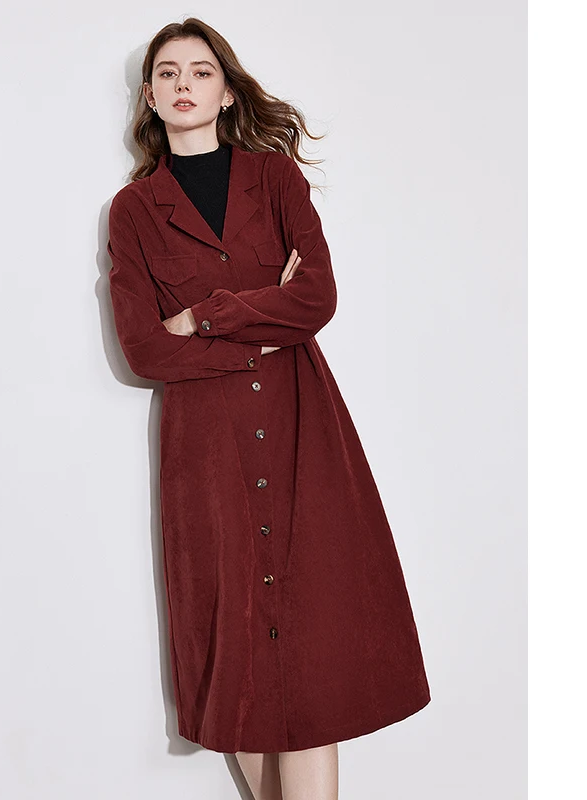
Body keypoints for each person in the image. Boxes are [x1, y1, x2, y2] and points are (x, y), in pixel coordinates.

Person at [107, 18, 431, 800]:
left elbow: (316, 298)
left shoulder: (276, 179)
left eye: (201, 72)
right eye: (168, 74)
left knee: (314, 657)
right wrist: (263, 320)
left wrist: (205, 316)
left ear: (225, 92)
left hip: (300, 433)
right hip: (205, 452)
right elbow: (144, 350)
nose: (184, 85)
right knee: (240, 666)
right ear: (149, 96)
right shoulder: (134, 211)